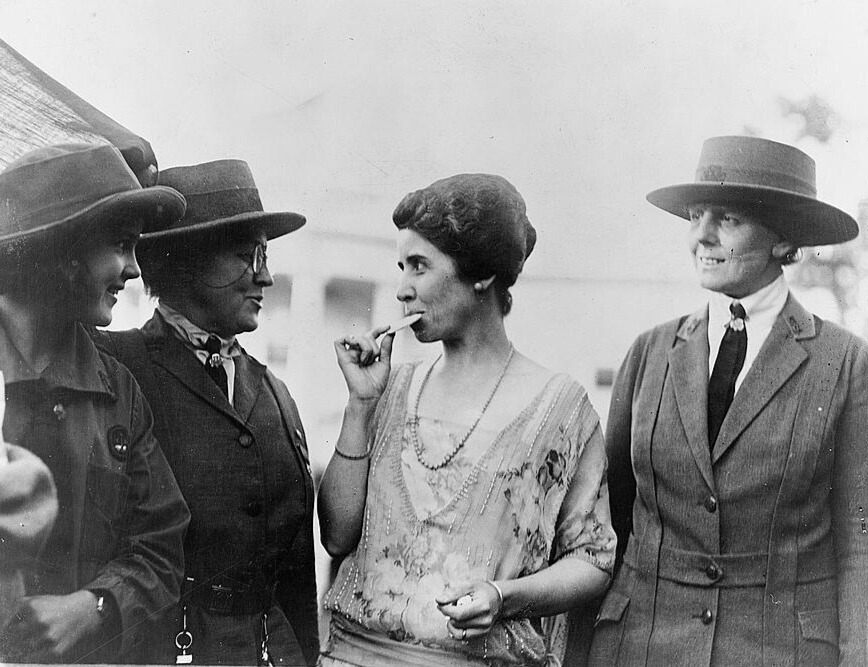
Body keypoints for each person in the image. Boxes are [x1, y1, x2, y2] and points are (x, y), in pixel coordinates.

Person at [589, 135, 868, 665]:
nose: (701, 236)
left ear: (782, 239)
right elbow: (610, 523)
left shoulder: (846, 364)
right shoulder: (649, 354)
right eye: (695, 216)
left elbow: (860, 544)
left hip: (779, 651)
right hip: (641, 648)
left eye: (728, 219)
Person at [318, 173, 616, 667]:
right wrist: (359, 406)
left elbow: (594, 558)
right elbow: (336, 537)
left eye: (419, 266)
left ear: (481, 274)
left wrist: (504, 596)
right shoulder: (389, 388)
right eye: (401, 267)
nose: (401, 290)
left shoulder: (559, 408)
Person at [93, 159, 319, 666]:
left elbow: (297, 575)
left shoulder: (276, 393)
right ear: (181, 259)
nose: (266, 275)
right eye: (245, 255)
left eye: (263, 255)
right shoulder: (113, 366)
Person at [0, 142, 190, 662]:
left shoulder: (118, 391)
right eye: (122, 245)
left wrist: (96, 607)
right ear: (62, 250)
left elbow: (162, 542)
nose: (133, 270)